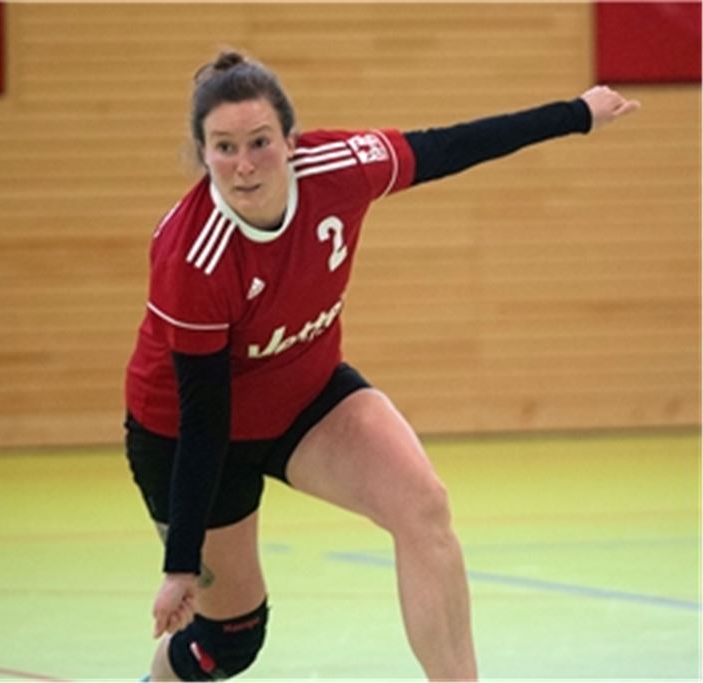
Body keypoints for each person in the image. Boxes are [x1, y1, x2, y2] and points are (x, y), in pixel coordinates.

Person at [124, 50, 640, 681]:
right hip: (189, 434)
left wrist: (575, 114)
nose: (245, 164)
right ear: (202, 154)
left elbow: (450, 146)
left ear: (289, 140)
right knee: (228, 641)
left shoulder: (340, 168)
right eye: (224, 147)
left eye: (260, 141)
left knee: (422, 507)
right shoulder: (193, 256)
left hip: (304, 398)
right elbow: (204, 416)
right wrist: (180, 566)